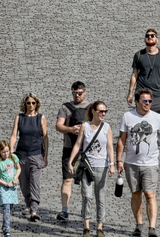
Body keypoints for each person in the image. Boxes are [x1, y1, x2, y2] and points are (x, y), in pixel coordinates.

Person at [119, 89, 160, 237]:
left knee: (150, 194)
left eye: (150, 101)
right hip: (131, 162)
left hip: (151, 163)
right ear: (137, 102)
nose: (148, 104)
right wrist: (118, 160)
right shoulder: (127, 117)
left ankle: (152, 227)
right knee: (136, 193)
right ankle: (139, 224)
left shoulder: (157, 118)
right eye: (145, 101)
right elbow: (122, 140)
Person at [66, 99, 116, 236]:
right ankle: (86, 227)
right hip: (86, 166)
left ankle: (100, 227)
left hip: (102, 166)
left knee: (101, 197)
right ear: (93, 111)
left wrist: (112, 164)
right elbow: (78, 144)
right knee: (87, 196)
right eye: (101, 111)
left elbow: (110, 147)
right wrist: (70, 162)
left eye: (105, 111)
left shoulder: (107, 127)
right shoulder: (85, 126)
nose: (103, 114)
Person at [54, 82, 89, 223]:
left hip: (86, 150)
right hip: (69, 148)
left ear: (85, 92)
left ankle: (84, 208)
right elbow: (58, 125)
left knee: (86, 181)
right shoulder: (65, 107)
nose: (77, 96)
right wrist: (71, 129)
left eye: (80, 93)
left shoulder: (91, 108)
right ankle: (64, 209)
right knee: (67, 179)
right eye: (75, 93)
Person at [10, 93, 48, 222]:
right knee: (24, 183)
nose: (31, 105)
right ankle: (27, 203)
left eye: (33, 103)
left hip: (36, 154)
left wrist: (46, 155)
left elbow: (45, 137)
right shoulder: (19, 118)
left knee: (34, 182)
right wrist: (11, 151)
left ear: (36, 104)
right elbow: (14, 135)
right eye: (28, 103)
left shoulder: (41, 118)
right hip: (21, 155)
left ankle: (34, 209)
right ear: (24, 104)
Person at [128, 28, 160, 118]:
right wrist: (130, 93)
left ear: (157, 39)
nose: (150, 37)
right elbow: (134, 74)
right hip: (141, 92)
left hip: (158, 93)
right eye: (147, 36)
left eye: (152, 35)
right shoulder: (138, 55)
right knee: (142, 119)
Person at [0, 141, 22, 237]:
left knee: (11, 207)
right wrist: (5, 183)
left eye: (7, 151)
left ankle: (5, 225)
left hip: (13, 187)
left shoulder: (13, 158)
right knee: (6, 208)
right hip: (4, 189)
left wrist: (16, 178)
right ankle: (7, 231)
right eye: (4, 152)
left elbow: (18, 168)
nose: (6, 154)